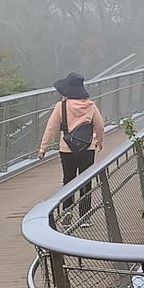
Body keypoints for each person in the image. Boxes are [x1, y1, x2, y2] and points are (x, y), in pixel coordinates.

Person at [38, 73, 106, 215]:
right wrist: (98, 141)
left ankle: (67, 211)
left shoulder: (61, 106)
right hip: (87, 148)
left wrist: (43, 148)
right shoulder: (91, 106)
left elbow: (51, 128)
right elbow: (99, 126)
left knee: (68, 180)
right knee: (86, 182)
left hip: (66, 149)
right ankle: (85, 216)